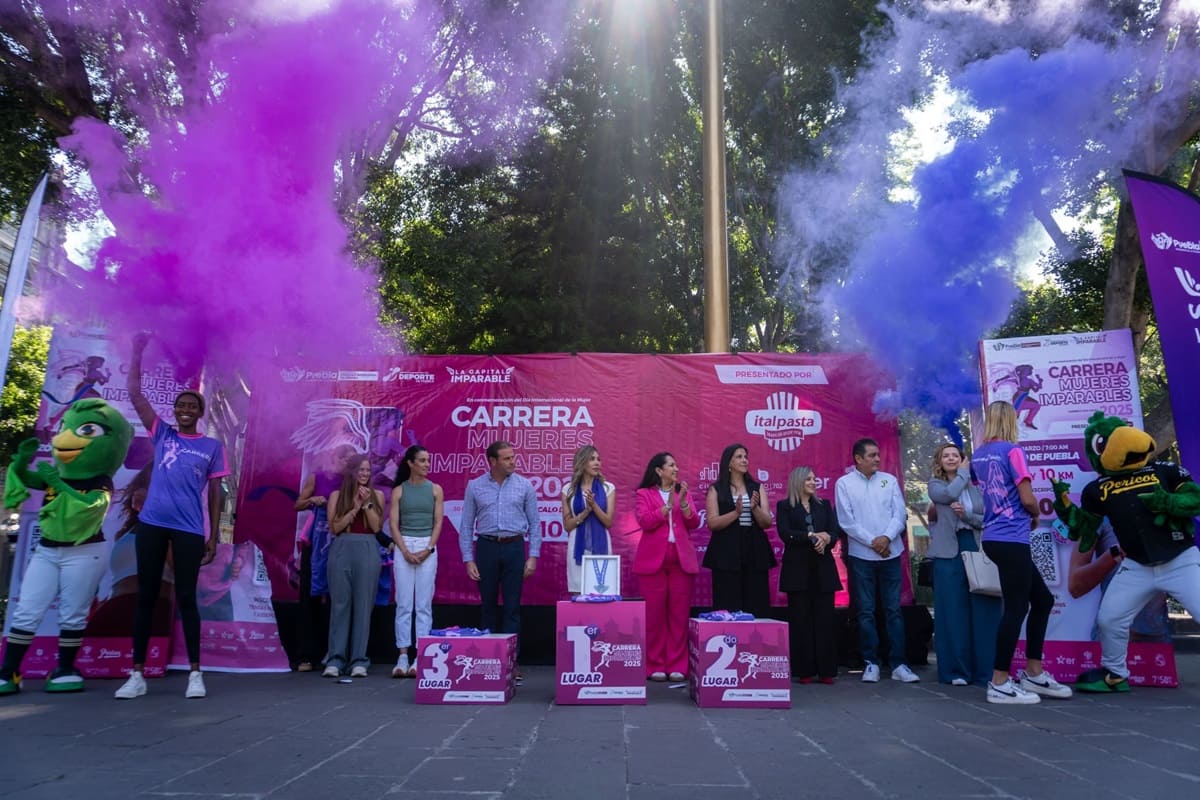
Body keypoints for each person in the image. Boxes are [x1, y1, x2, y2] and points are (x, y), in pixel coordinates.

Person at [116, 333, 230, 700]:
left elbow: (215, 492)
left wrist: (212, 536)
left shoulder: (212, 447)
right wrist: (137, 351)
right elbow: (135, 393)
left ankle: (196, 674)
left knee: (185, 598)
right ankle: (137, 674)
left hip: (188, 530)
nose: (184, 409)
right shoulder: (162, 434)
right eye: (180, 404)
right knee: (146, 595)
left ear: (199, 413)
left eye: (191, 406)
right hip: (152, 526)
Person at [971, 401, 1072, 704]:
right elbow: (1027, 498)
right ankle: (999, 682)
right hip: (1012, 536)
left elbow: (984, 491)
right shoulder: (1013, 451)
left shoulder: (978, 455)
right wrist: (1034, 514)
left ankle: (1034, 672)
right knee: (1017, 607)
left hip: (993, 536)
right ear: (1011, 422)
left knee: (1042, 600)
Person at [834, 438, 919, 684]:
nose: (877, 459)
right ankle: (870, 662)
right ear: (858, 459)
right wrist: (874, 541)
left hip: (890, 554)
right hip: (862, 556)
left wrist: (886, 538)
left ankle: (899, 664)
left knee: (893, 610)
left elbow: (899, 513)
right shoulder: (845, 484)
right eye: (871, 455)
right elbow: (847, 521)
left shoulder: (888, 480)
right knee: (866, 611)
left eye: (878, 455)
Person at [459, 441, 540, 678]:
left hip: (514, 547)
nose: (512, 461)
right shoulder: (475, 486)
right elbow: (465, 526)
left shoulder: (525, 486)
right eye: (506, 458)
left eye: (513, 457)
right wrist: (468, 559)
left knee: (512, 608)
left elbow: (535, 524)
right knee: (488, 607)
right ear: (492, 462)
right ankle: (487, 660)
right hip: (486, 547)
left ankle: (511, 662)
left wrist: (533, 556)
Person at [926, 443, 1000, 686]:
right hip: (948, 552)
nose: (950, 458)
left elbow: (989, 518)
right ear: (939, 461)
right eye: (945, 455)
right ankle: (956, 671)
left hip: (976, 547)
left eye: (955, 455)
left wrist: (966, 516)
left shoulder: (978, 488)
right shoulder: (936, 485)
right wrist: (963, 474)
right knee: (952, 613)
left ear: (962, 459)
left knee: (984, 610)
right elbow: (948, 496)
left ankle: (986, 671)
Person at [633, 452, 700, 682]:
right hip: (654, 562)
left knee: (679, 616)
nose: (676, 468)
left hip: (681, 560)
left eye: (676, 464)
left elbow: (694, 523)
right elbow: (644, 521)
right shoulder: (644, 494)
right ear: (659, 471)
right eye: (671, 465)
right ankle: (654, 664)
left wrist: (683, 505)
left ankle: (677, 665)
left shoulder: (683, 492)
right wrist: (666, 508)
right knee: (654, 616)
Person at [776, 466, 842, 684]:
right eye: (809, 480)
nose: (814, 482)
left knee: (825, 620)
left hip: (823, 570)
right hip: (797, 571)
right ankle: (804, 669)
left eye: (815, 479)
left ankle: (826, 670)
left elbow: (834, 532)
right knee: (801, 620)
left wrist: (826, 538)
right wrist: (813, 536)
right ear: (798, 482)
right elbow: (786, 534)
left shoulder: (823, 506)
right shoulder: (785, 506)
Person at [292, 444, 354, 671]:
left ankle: (335, 652)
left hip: (340, 543)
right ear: (334, 457)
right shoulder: (317, 477)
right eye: (344, 458)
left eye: (351, 459)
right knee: (310, 596)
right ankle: (306, 655)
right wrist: (313, 500)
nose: (346, 462)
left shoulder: (351, 484)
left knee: (338, 598)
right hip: (316, 543)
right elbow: (298, 503)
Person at [322, 454, 385, 677]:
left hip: (367, 549)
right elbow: (335, 527)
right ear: (351, 472)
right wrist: (354, 507)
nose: (365, 474)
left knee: (363, 605)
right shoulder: (336, 496)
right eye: (361, 470)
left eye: (368, 470)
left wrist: (366, 504)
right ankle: (336, 658)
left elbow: (377, 527)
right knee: (340, 605)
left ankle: (359, 659)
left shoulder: (377, 495)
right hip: (342, 548)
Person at [388, 445, 444, 678]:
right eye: (421, 460)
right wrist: (404, 550)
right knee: (403, 603)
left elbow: (438, 522)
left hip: (426, 547)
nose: (426, 464)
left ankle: (421, 655)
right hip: (404, 545)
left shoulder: (436, 490)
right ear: (410, 463)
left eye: (427, 460)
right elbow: (393, 524)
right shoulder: (399, 491)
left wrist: (428, 548)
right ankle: (403, 655)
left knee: (423, 603)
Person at [702, 443, 776, 617]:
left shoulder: (757, 488)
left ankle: (758, 642)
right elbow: (712, 523)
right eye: (739, 457)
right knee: (728, 603)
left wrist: (754, 508)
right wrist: (736, 512)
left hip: (754, 549)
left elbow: (766, 522)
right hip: (726, 551)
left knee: (756, 602)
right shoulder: (716, 489)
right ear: (729, 463)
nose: (744, 460)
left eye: (745, 456)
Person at [562, 445, 615, 594]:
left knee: (602, 593)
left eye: (598, 459)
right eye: (592, 459)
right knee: (578, 594)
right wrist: (585, 513)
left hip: (601, 547)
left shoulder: (608, 488)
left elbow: (608, 522)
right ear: (582, 462)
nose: (597, 463)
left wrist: (594, 506)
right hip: (577, 549)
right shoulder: (568, 490)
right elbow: (567, 526)